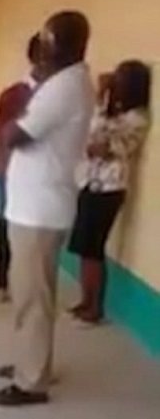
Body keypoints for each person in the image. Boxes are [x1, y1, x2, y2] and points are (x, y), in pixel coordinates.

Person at [0, 11, 94, 406]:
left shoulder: (63, 87)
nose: (43, 48)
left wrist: (11, 122)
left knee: (34, 298)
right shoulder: (67, 82)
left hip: (40, 210)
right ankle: (30, 362)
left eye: (48, 40)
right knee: (30, 294)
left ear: (62, 44)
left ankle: (31, 381)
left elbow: (14, 134)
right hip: (36, 206)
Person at [68, 60, 151, 325]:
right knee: (84, 247)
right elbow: (91, 134)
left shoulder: (138, 118)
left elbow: (110, 147)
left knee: (94, 248)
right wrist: (101, 100)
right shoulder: (111, 112)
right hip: (90, 183)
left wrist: (98, 143)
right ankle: (85, 300)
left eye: (121, 79)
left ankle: (96, 308)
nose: (116, 82)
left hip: (110, 190)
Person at [0, 34, 42, 302]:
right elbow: (2, 136)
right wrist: (2, 170)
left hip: (44, 174)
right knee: (7, 221)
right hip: (12, 170)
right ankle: (4, 278)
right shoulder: (13, 95)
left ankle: (30, 281)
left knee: (36, 229)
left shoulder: (60, 95)